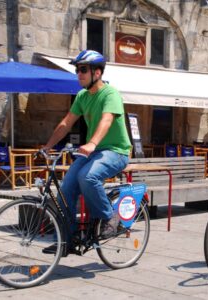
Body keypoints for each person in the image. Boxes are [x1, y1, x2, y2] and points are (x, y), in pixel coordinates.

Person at [42, 50, 132, 253]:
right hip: (94, 151)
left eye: (83, 70)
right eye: (77, 70)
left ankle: (110, 218)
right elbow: (66, 123)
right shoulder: (82, 96)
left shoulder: (111, 94)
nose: (78, 74)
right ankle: (68, 240)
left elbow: (106, 120)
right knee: (66, 189)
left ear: (97, 73)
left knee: (88, 177)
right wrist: (47, 146)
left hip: (116, 152)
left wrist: (91, 143)